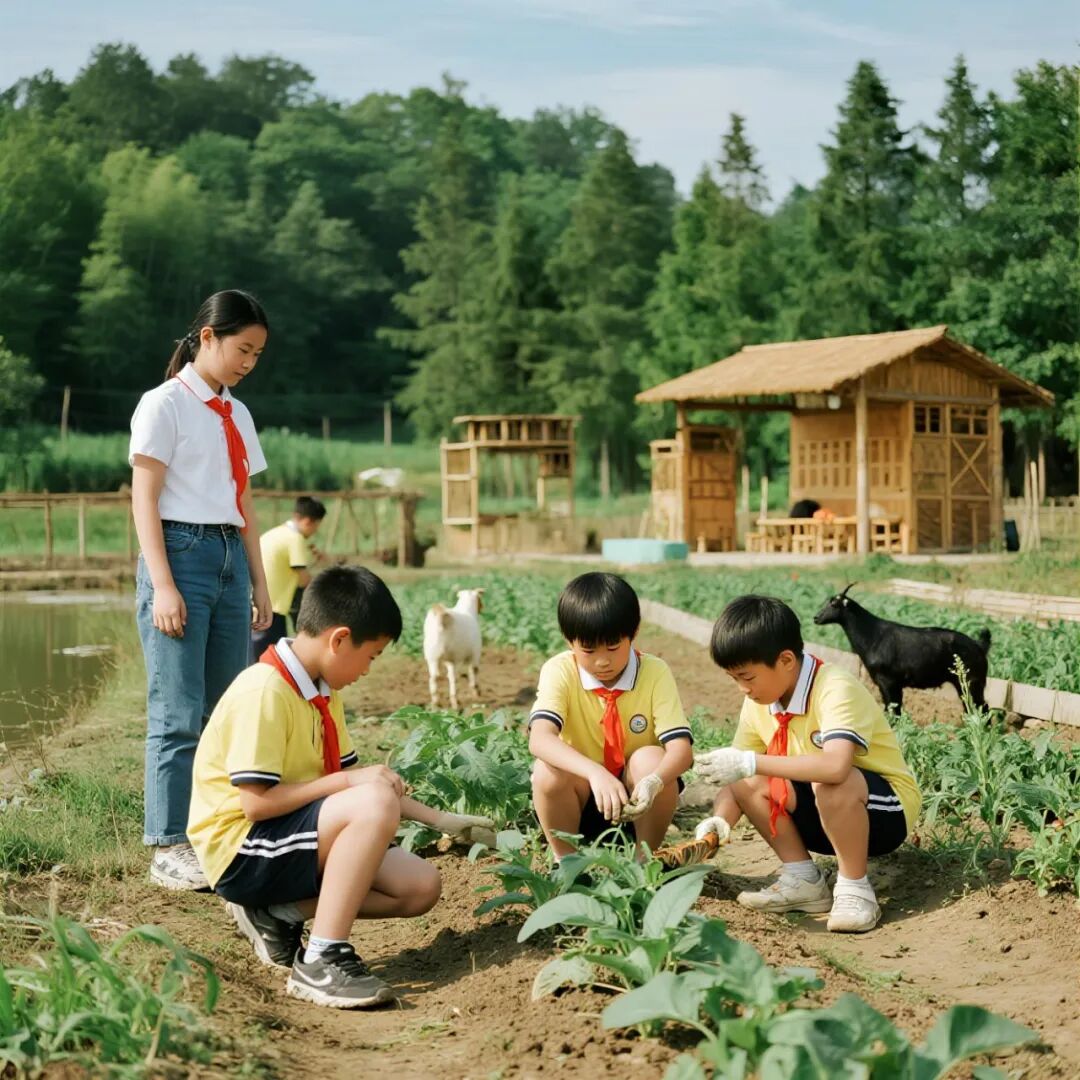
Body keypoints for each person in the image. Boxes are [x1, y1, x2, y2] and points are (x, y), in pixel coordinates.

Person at [188, 565, 492, 1008]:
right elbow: (255, 804)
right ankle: (322, 961)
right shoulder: (266, 690)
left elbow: (365, 787)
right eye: (371, 656)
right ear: (339, 639)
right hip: (240, 850)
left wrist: (443, 821)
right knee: (368, 800)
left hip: (285, 835)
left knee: (420, 885)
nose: (369, 669)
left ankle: (276, 913)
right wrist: (348, 781)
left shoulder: (322, 692)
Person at [129, 290, 274, 891]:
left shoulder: (236, 413)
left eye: (258, 354)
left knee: (223, 712)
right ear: (208, 337)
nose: (248, 362)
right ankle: (167, 844)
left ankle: (212, 832)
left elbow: (244, 503)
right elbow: (144, 496)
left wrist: (260, 581)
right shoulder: (164, 404)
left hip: (228, 559)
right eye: (243, 349)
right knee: (177, 710)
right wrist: (162, 584)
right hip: (180, 554)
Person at [693, 595, 921, 933]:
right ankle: (804, 880)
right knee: (747, 777)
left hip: (884, 813)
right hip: (824, 812)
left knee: (829, 780)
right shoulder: (759, 701)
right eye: (734, 678)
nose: (742, 688)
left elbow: (835, 768)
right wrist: (718, 821)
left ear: (785, 660)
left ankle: (854, 887)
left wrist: (750, 762)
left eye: (747, 676)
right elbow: (739, 776)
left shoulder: (834, 688)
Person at [528, 572, 693, 863]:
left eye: (614, 647)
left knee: (652, 760)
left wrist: (655, 781)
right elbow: (540, 738)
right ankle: (566, 862)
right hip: (578, 806)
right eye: (588, 651)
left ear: (634, 632)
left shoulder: (654, 672)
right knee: (547, 772)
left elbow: (681, 750)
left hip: (639, 806)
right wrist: (595, 773)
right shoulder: (560, 671)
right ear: (569, 642)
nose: (602, 661)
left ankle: (645, 861)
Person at [252, 495, 327, 657]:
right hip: (273, 606)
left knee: (256, 654)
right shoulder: (295, 539)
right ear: (308, 522)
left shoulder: (277, 533)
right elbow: (303, 579)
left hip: (256, 601)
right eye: (316, 526)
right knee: (271, 657)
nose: (315, 531)